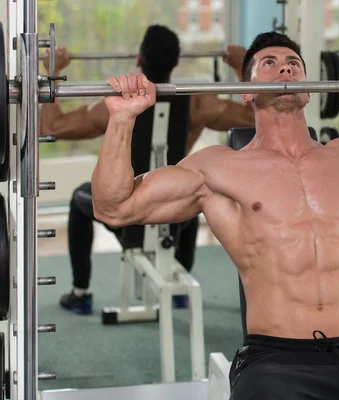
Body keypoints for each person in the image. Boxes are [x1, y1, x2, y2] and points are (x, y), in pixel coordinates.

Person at [91, 31, 339, 399]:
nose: (284, 67)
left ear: (309, 89)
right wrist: (123, 119)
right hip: (278, 365)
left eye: (292, 62)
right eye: (269, 62)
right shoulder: (216, 170)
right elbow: (114, 205)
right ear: (246, 92)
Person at [44, 25, 255, 314]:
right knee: (191, 191)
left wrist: (51, 69)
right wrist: (241, 67)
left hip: (125, 214)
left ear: (139, 61)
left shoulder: (111, 106)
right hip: (171, 210)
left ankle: (81, 292)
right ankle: (179, 278)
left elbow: (52, 126)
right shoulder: (199, 104)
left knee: (81, 199)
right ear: (176, 63)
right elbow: (253, 118)